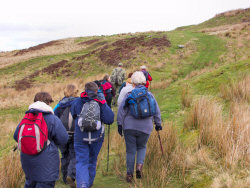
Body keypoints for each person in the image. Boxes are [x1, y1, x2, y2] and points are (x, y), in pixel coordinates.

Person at [13, 92, 68, 188]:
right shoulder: (52, 119)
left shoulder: (26, 117)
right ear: (48, 103)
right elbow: (63, 139)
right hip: (47, 164)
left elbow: (16, 136)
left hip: (27, 162)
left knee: (30, 184)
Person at [117, 71, 162, 182]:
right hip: (145, 127)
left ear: (133, 83)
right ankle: (139, 167)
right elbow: (156, 111)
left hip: (129, 127)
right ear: (144, 82)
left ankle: (129, 175)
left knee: (130, 151)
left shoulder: (129, 95)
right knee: (142, 147)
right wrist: (158, 124)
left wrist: (119, 124)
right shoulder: (150, 95)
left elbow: (121, 111)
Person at [71, 82, 114, 188]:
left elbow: (73, 115)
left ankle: (82, 184)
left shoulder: (77, 101)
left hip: (80, 136)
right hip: (97, 137)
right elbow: (109, 119)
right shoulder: (100, 102)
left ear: (85, 90)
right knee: (92, 160)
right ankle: (89, 183)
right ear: (96, 90)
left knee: (81, 161)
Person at [54, 84, 78, 187]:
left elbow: (54, 118)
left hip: (62, 134)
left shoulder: (60, 104)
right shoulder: (78, 103)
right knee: (74, 155)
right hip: (75, 133)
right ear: (75, 91)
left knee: (64, 155)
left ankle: (64, 178)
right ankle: (71, 175)